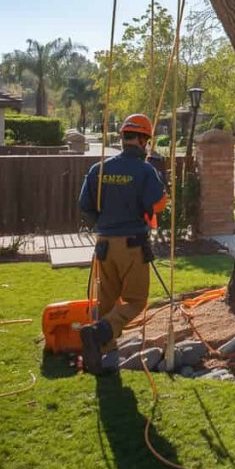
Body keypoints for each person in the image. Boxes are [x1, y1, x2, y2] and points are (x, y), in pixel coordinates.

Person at [77, 113, 167, 374]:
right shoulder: (145, 170)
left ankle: (102, 357)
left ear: (123, 138)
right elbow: (158, 205)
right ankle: (101, 331)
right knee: (136, 301)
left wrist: (104, 221)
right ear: (141, 140)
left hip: (104, 244)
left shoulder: (99, 169)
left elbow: (85, 206)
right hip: (131, 245)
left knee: (105, 302)